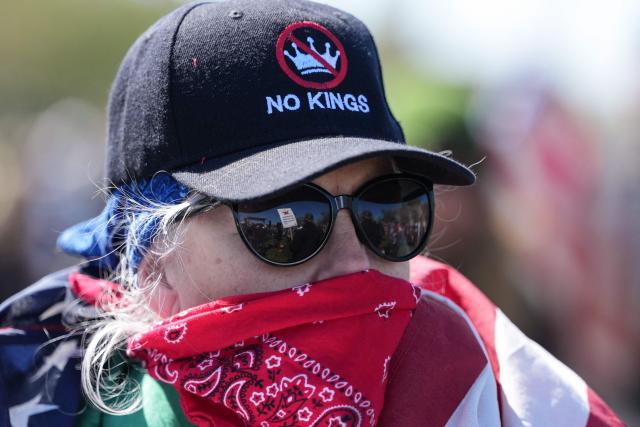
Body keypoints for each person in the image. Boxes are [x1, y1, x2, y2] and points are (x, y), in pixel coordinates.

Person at [0, 1, 625, 426]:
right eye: (286, 223)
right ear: (149, 253)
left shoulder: (501, 398)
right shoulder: (34, 398)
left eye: (389, 213)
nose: (357, 263)